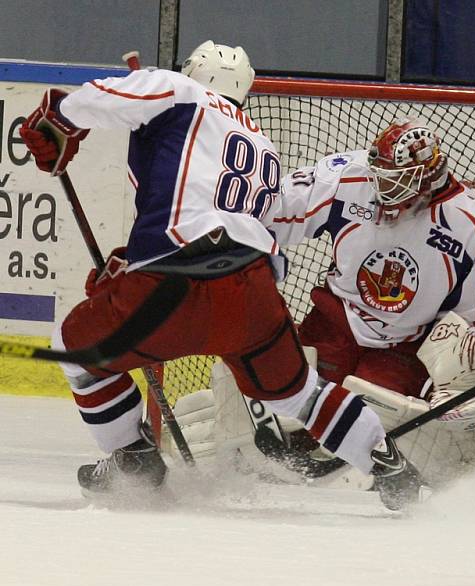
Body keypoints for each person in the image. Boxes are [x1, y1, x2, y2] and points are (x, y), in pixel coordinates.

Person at [19, 40, 423, 511]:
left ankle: (133, 457)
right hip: (253, 295)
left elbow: (107, 96)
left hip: (171, 288)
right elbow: (221, 218)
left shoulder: (179, 90)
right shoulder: (261, 144)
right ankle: (391, 469)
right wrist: (132, 263)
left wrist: (59, 116)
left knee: (74, 353)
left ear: (192, 71)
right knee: (299, 394)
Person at [169, 116, 475, 485]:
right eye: (379, 177)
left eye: (395, 182)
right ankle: (240, 450)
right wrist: (212, 234)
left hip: (402, 349)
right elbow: (276, 212)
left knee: (371, 430)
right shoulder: (349, 176)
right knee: (279, 391)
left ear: (426, 177)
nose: (383, 190)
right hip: (334, 324)